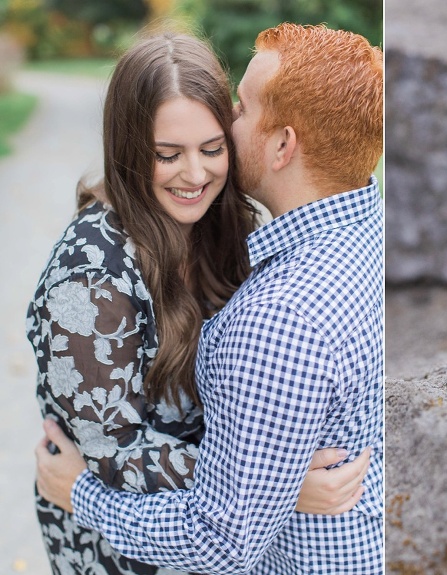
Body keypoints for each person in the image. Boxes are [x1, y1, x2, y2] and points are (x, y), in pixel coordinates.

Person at [37, 22, 384, 574]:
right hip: (126, 549)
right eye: (167, 154)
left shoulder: (234, 224)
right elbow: (110, 454)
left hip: (204, 537)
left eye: (216, 143)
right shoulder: (89, 279)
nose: (195, 174)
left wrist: (262, 484)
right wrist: (278, 483)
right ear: (129, 148)